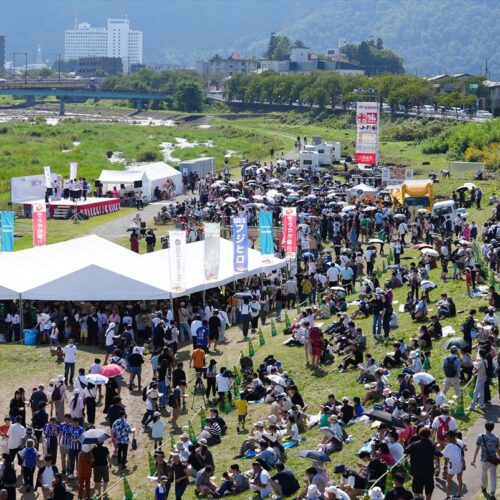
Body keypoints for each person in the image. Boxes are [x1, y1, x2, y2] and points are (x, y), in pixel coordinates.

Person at [405, 427, 441, 500]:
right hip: (428, 472)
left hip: (417, 472)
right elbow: (439, 454)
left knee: (416, 490)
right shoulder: (432, 445)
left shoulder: (414, 444)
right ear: (429, 435)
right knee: (429, 489)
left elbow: (405, 451)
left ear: (420, 435)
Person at [471, 420, 500, 499]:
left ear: (485, 427)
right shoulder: (496, 438)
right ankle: (492, 493)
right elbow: (497, 449)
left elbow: (477, 448)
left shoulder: (480, 436)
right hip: (493, 459)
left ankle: (484, 487)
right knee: (493, 475)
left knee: (484, 473)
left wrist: (474, 459)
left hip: (484, 459)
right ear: (493, 428)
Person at [442, 430, 465, 498]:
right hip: (460, 464)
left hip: (452, 465)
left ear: (450, 437)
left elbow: (444, 455)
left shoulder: (448, 446)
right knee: (459, 479)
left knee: (448, 481)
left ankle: (447, 496)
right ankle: (458, 494)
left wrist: (438, 449)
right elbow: (464, 446)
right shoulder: (459, 441)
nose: (446, 438)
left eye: (447, 437)